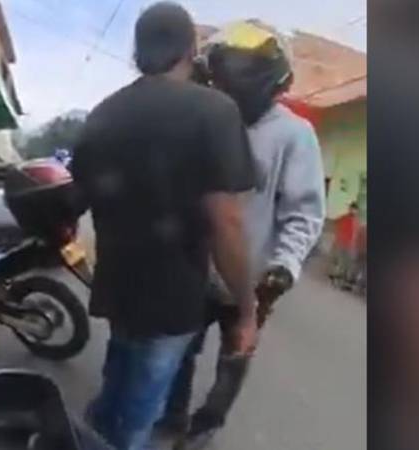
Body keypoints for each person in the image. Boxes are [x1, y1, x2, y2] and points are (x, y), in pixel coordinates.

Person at [70, 3, 260, 449]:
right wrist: (247, 310)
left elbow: (80, 196)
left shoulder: (102, 114)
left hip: (117, 289)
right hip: (172, 300)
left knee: (116, 390)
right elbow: (226, 221)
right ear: (190, 47)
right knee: (137, 421)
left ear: (139, 50)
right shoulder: (213, 110)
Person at [153, 24, 327, 450]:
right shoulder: (204, 120)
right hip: (194, 269)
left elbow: (304, 213)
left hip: (252, 281)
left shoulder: (293, 134)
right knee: (179, 352)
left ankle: (206, 426)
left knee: (234, 360)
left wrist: (283, 268)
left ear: (273, 84)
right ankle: (172, 416)